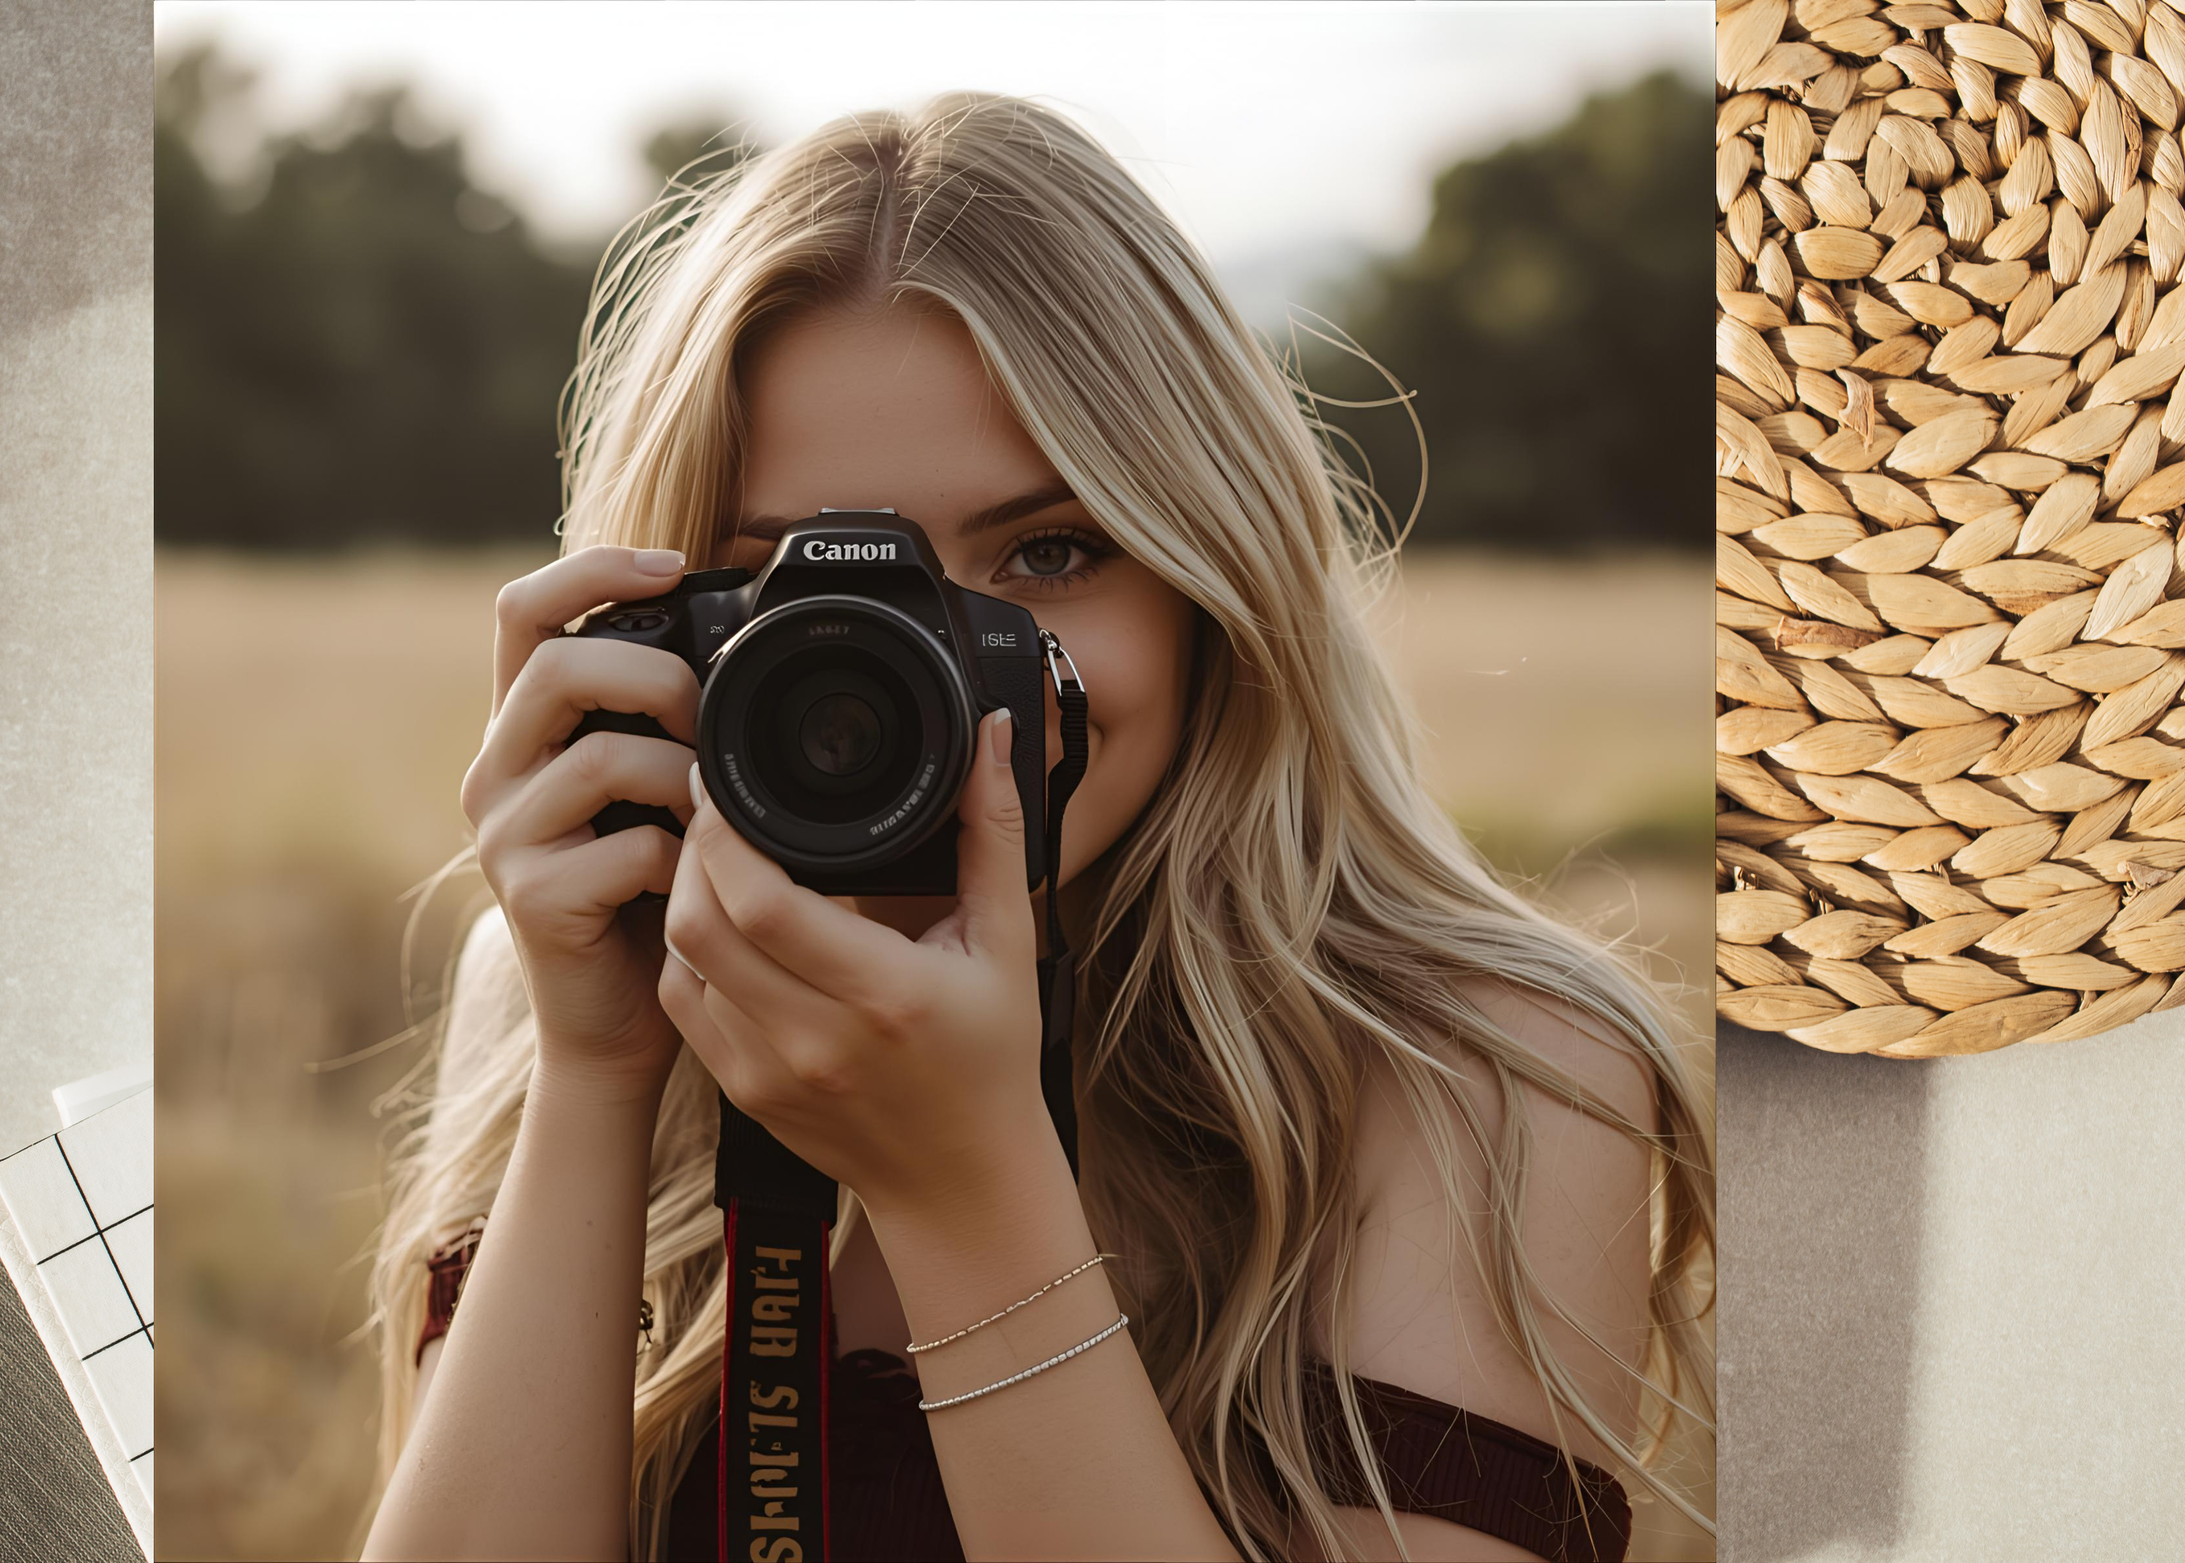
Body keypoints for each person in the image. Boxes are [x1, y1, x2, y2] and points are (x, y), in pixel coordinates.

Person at [359, 91, 1712, 1563]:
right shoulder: (559, 993)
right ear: (653, 626)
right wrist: (599, 1071)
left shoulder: (1488, 1074)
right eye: (799, 586)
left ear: (1214, 584)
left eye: (1049, 552)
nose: (926, 674)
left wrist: (968, 1190)